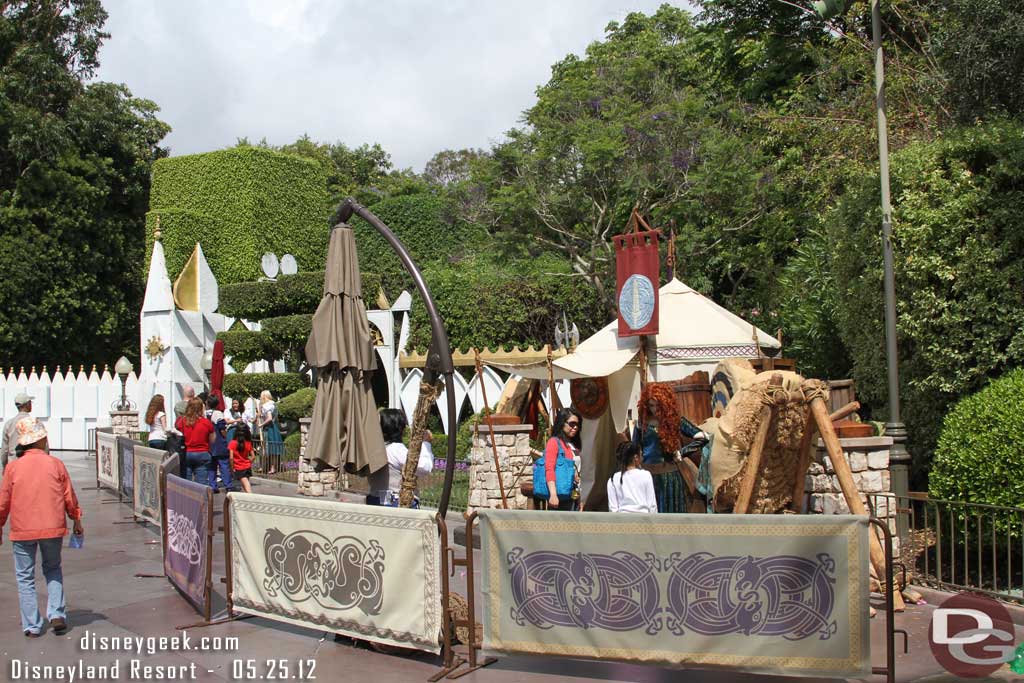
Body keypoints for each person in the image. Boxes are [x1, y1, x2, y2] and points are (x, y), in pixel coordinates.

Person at [0, 418, 83, 637]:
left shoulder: (12, 468)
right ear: (41, 440)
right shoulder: (55, 464)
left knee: (25, 577)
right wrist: (76, 518)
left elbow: (3, 502)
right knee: (53, 568)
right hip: (52, 527)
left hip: (22, 529)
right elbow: (69, 496)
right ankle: (56, 612)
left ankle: (32, 625)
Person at [632, 383, 702, 513]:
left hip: (670, 477)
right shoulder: (641, 424)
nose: (655, 409)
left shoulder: (675, 421)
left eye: (658, 405)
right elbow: (633, 450)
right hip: (647, 477)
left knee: (671, 515)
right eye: (652, 405)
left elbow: (703, 437)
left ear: (666, 404)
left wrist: (683, 452)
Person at [375, 409, 433, 506]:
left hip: (375, 499)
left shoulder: (375, 448)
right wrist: (426, 443)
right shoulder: (396, 450)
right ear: (400, 429)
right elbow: (425, 467)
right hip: (396, 502)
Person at [538, 407, 582, 511]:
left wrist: (581, 498)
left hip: (574, 495)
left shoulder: (574, 445)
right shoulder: (554, 442)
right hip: (560, 496)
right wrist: (553, 494)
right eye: (572, 424)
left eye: (577, 424)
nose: (575, 427)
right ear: (562, 423)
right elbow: (549, 469)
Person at [607, 441, 657, 514]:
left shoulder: (613, 479)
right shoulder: (646, 475)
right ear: (636, 457)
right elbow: (652, 506)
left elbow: (613, 509)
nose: (642, 457)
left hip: (622, 522)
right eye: (641, 454)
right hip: (644, 521)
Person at [174, 398, 215, 486]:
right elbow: (213, 439)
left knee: (186, 482)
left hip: (187, 453)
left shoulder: (183, 421)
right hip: (202, 453)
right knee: (201, 483)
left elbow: (177, 433)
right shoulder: (206, 422)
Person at [2, 391, 34, 473]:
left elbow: (4, 450)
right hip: (31, 465)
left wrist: (5, 467)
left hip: (13, 465)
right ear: (27, 404)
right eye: (30, 402)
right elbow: (45, 447)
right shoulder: (35, 423)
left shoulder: (9, 424)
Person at [205, 395, 232, 493]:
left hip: (208, 443)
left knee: (211, 466)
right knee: (224, 464)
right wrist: (225, 437)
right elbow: (222, 428)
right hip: (219, 442)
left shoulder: (203, 415)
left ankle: (213, 486)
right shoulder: (218, 414)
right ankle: (228, 485)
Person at [258, 391, 283, 475]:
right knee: (274, 448)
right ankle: (272, 467)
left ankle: (268, 467)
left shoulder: (267, 406)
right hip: (275, 427)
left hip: (269, 428)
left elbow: (269, 418)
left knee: (269, 448)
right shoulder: (273, 404)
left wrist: (261, 424)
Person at [228, 424, 255, 494]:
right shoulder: (248, 443)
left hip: (239, 467)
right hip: (247, 466)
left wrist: (232, 467)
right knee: (245, 484)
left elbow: (231, 458)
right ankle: (247, 498)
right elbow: (253, 456)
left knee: (245, 483)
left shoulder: (232, 443)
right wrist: (249, 462)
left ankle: (251, 497)